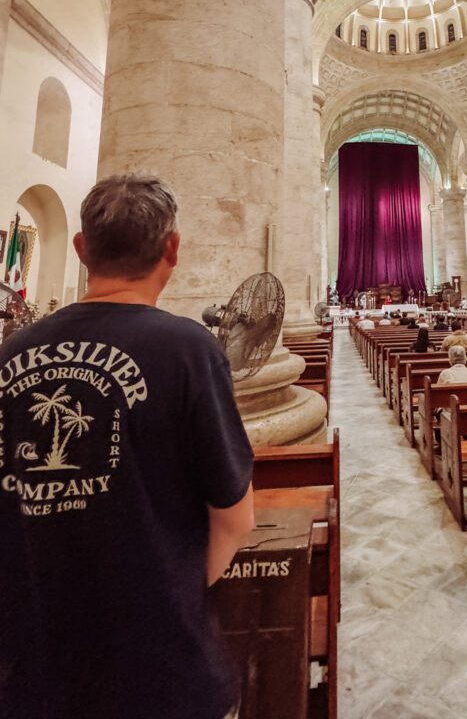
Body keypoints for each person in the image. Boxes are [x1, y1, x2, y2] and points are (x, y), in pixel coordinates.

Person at [0, 174, 255, 719]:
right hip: (165, 669)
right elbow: (234, 518)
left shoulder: (9, 355)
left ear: (81, 248)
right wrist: (170, 595)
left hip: (37, 671)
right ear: (173, 249)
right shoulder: (191, 350)